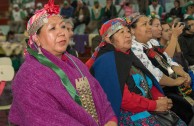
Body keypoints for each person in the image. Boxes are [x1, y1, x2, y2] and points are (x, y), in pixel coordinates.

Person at [8, 1, 117, 125]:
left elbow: (99, 95)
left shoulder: (75, 62)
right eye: (53, 28)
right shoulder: (29, 76)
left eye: (63, 26)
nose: (61, 32)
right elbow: (45, 120)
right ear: (36, 39)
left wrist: (110, 120)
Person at [86, 18, 186, 125]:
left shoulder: (128, 55)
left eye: (128, 31)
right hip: (125, 114)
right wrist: (155, 105)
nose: (128, 35)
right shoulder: (106, 61)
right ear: (108, 38)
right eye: (121, 32)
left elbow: (149, 81)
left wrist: (161, 100)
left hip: (146, 106)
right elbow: (124, 100)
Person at [130, 14, 194, 124]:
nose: (150, 27)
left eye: (149, 24)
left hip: (172, 85)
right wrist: (175, 82)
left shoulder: (152, 43)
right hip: (159, 91)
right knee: (187, 110)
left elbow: (169, 62)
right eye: (145, 24)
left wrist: (183, 74)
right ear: (132, 30)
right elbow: (155, 75)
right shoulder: (134, 48)